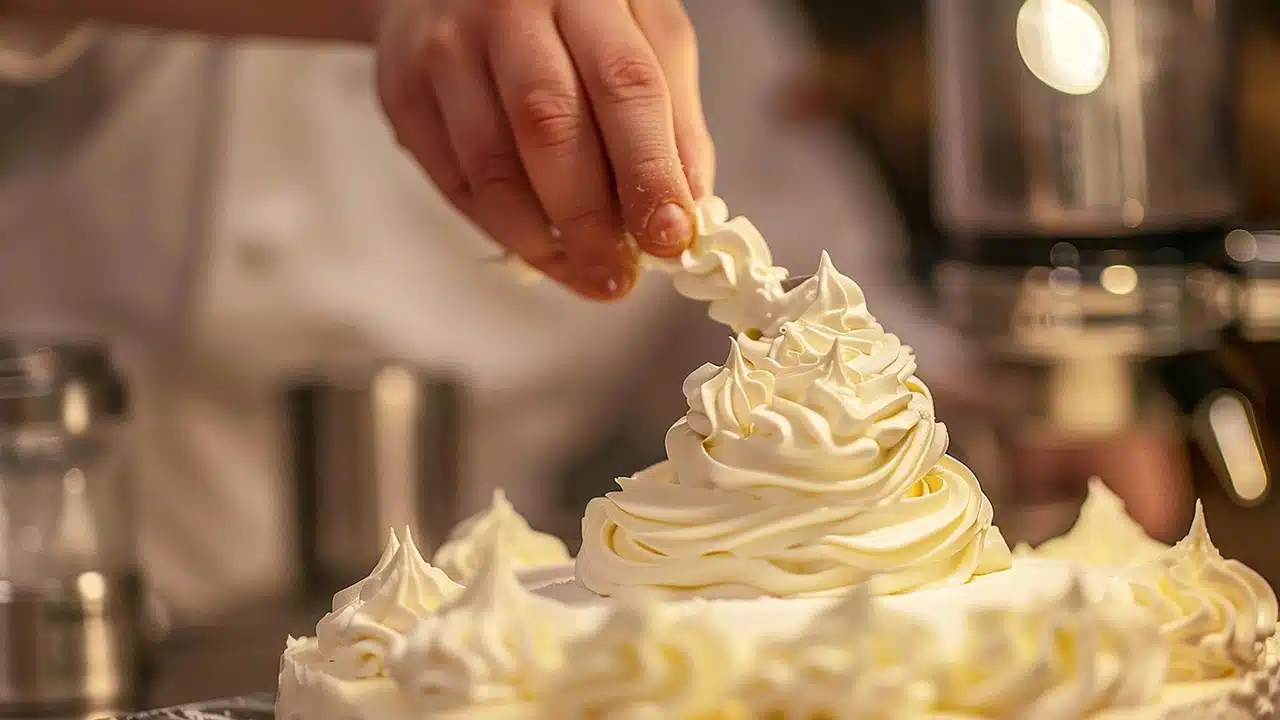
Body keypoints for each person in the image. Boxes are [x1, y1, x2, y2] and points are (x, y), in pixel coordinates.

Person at [0, 0, 1186, 626]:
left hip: (492, 621)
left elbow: (791, 286)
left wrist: (998, 417)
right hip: (95, 576)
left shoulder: (710, 20)